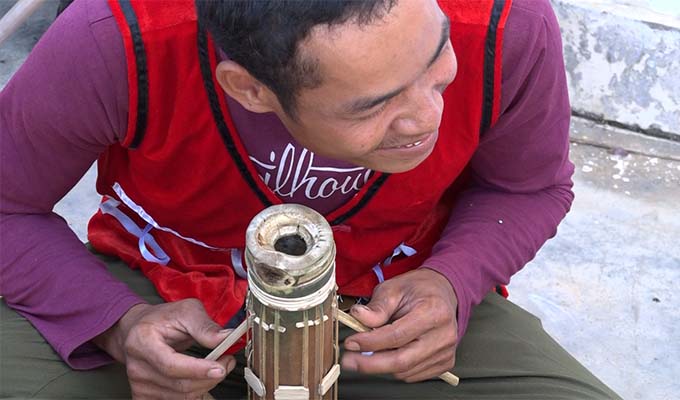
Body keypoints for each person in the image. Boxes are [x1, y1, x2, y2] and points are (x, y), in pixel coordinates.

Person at [0, 0, 621, 398]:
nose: (429, 117)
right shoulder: (120, 38)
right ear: (249, 89)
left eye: (437, 59)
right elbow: (7, 206)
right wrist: (118, 323)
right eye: (375, 103)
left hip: (390, 301)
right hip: (167, 284)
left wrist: (452, 282)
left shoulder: (504, 21)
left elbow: (527, 185)